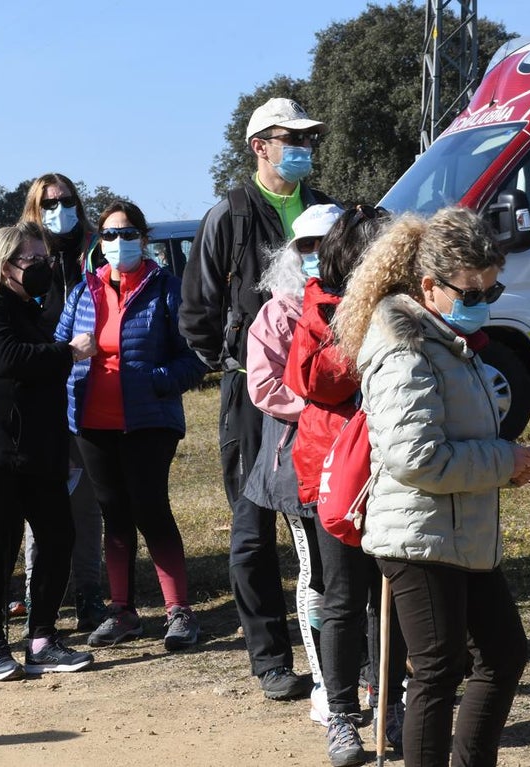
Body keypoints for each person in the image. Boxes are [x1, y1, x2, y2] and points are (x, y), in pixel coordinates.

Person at [333, 207, 530, 767]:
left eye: (493, 291)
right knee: (439, 669)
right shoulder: (404, 347)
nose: (485, 305)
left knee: (501, 653)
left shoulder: (445, 336)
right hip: (418, 535)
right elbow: (414, 457)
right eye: (475, 292)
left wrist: (507, 465)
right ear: (430, 286)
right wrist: (502, 460)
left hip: (458, 528)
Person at [180, 97, 335, 700]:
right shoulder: (230, 215)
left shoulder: (326, 208)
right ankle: (270, 658)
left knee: (332, 516)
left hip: (325, 386)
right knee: (252, 529)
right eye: (288, 136)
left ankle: (341, 654)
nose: (301, 146)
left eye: (308, 136)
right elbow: (196, 310)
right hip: (252, 390)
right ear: (258, 147)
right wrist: (237, 363)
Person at [285, 205, 408, 766]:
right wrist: (364, 335)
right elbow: (310, 381)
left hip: (400, 467)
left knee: (395, 596)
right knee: (342, 595)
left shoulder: (409, 305)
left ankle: (390, 706)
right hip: (337, 470)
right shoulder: (319, 310)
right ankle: (339, 714)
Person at [54, 201, 206, 651]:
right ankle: (122, 612)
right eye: (109, 235)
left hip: (148, 421)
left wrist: (156, 381)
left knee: (151, 510)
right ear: (99, 242)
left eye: (127, 233)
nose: (118, 243)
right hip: (91, 422)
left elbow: (195, 358)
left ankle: (179, 612)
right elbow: (59, 347)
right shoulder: (84, 291)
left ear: (144, 237)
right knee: (114, 516)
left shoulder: (168, 289)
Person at [0, 222, 96, 681]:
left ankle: (42, 639)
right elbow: (9, 358)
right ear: (4, 264)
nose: (41, 268)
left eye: (45, 260)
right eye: (31, 261)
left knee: (57, 535)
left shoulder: (29, 307)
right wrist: (68, 353)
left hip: (38, 445)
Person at [242, 203, 344, 726]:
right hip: (296, 463)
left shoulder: (371, 304)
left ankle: (367, 673)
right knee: (318, 574)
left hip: (362, 460)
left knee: (361, 576)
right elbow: (262, 385)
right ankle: (328, 682)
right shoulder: (278, 312)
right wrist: (327, 406)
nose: (317, 254)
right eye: (306, 245)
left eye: (327, 242)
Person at [18, 172, 106, 631]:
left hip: (89, 394)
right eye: (48, 203)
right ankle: (38, 596)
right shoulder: (26, 258)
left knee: (87, 505)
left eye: (66, 200)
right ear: (34, 208)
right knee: (41, 505)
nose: (59, 209)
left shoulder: (97, 250)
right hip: (40, 393)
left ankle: (89, 594)